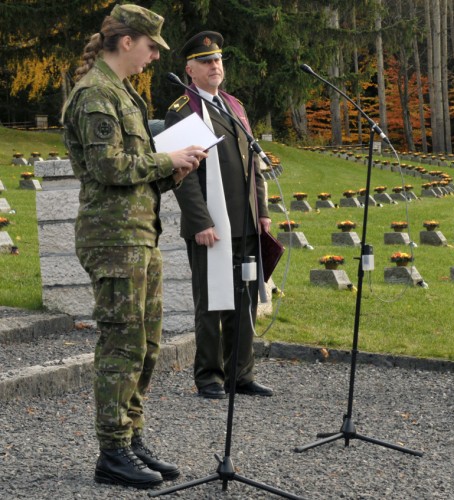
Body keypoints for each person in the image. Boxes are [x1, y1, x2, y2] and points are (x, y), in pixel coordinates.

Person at [61, 4, 207, 489]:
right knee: (122, 343)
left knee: (145, 345)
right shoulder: (95, 95)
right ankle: (112, 451)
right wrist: (164, 160)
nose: (151, 58)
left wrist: (172, 171)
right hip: (113, 238)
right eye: (149, 48)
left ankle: (132, 436)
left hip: (138, 233)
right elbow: (107, 169)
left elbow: (134, 176)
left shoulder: (122, 94)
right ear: (127, 41)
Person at [164, 31, 273, 400]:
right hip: (211, 223)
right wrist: (201, 222)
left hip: (243, 220)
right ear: (190, 69)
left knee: (243, 301)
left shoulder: (234, 106)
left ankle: (240, 373)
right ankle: (209, 375)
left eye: (218, 60)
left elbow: (252, 164)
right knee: (212, 303)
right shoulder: (182, 111)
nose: (215, 66)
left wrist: (262, 212)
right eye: (206, 61)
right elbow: (184, 176)